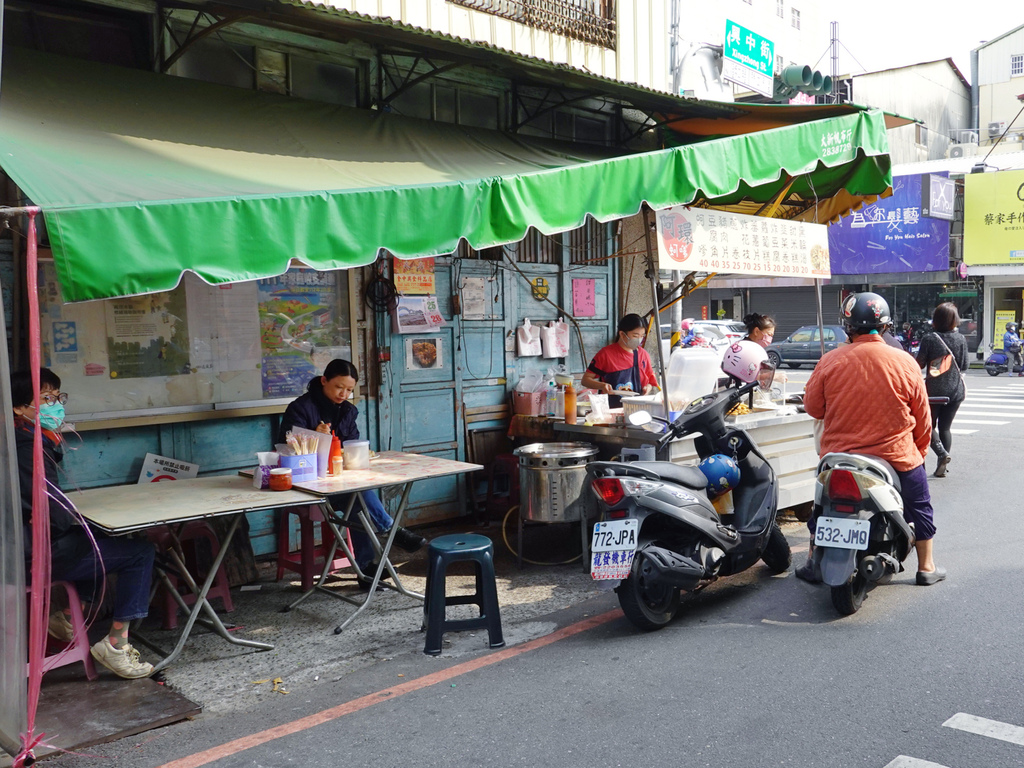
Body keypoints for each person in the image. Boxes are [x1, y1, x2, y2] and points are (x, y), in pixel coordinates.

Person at [13, 368, 156, 679]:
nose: (56, 406)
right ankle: (116, 644)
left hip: (27, 549)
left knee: (95, 536)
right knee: (139, 552)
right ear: (19, 408)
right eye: (46, 399)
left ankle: (64, 617)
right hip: (33, 556)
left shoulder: (24, 440)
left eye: (57, 398)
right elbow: (49, 511)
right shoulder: (28, 449)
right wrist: (71, 518)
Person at [797, 292, 945, 587]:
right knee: (920, 505)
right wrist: (920, 451)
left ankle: (815, 560)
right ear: (887, 326)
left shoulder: (829, 361)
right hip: (896, 455)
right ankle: (926, 566)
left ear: (848, 326)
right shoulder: (904, 362)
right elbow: (923, 418)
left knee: (821, 505)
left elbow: (813, 409)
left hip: (839, 456)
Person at [277, 359, 427, 587]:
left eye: (349, 390)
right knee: (359, 497)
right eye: (339, 387)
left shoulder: (348, 411)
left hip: (339, 481)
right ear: (324, 380)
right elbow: (285, 447)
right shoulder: (300, 408)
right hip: (307, 483)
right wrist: (313, 436)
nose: (344, 394)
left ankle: (366, 571)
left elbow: (351, 445)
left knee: (358, 500)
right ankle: (389, 532)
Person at [916, 303, 969, 478]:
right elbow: (964, 365)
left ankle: (941, 453)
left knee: (928, 425)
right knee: (945, 428)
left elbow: (920, 364)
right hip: (955, 390)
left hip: (934, 392)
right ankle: (942, 465)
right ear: (955, 320)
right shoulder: (961, 339)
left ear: (936, 320)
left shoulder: (930, 339)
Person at [581, 313, 659, 407]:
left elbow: (651, 381)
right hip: (610, 410)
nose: (639, 340)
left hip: (636, 409)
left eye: (642, 336)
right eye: (635, 336)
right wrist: (601, 385)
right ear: (622, 334)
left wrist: (647, 388)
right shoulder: (606, 354)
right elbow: (585, 380)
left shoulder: (643, 355)